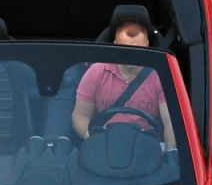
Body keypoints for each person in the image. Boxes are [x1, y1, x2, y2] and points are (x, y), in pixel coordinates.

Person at [71, 12, 177, 151]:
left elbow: (171, 123)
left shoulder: (159, 75)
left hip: (147, 147)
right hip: (104, 144)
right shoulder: (96, 71)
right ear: (115, 46)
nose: (132, 54)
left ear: (147, 45)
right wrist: (92, 138)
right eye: (126, 48)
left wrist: (171, 156)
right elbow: (80, 114)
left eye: (138, 49)